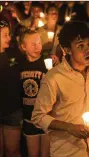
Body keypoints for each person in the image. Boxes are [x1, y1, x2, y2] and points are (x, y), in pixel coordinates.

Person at [31, 21, 89, 157]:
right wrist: (69, 127)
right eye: (81, 45)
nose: (88, 49)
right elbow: (38, 116)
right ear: (67, 49)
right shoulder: (54, 78)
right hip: (68, 152)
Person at [19, 29, 50, 157]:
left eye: (39, 42)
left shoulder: (47, 63)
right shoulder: (19, 65)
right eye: (33, 44)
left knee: (45, 154)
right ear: (23, 47)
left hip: (45, 116)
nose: (37, 46)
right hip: (28, 118)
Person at [0, 19, 23, 157]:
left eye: (9, 34)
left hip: (12, 110)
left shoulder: (15, 53)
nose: (9, 38)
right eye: (5, 35)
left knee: (13, 151)